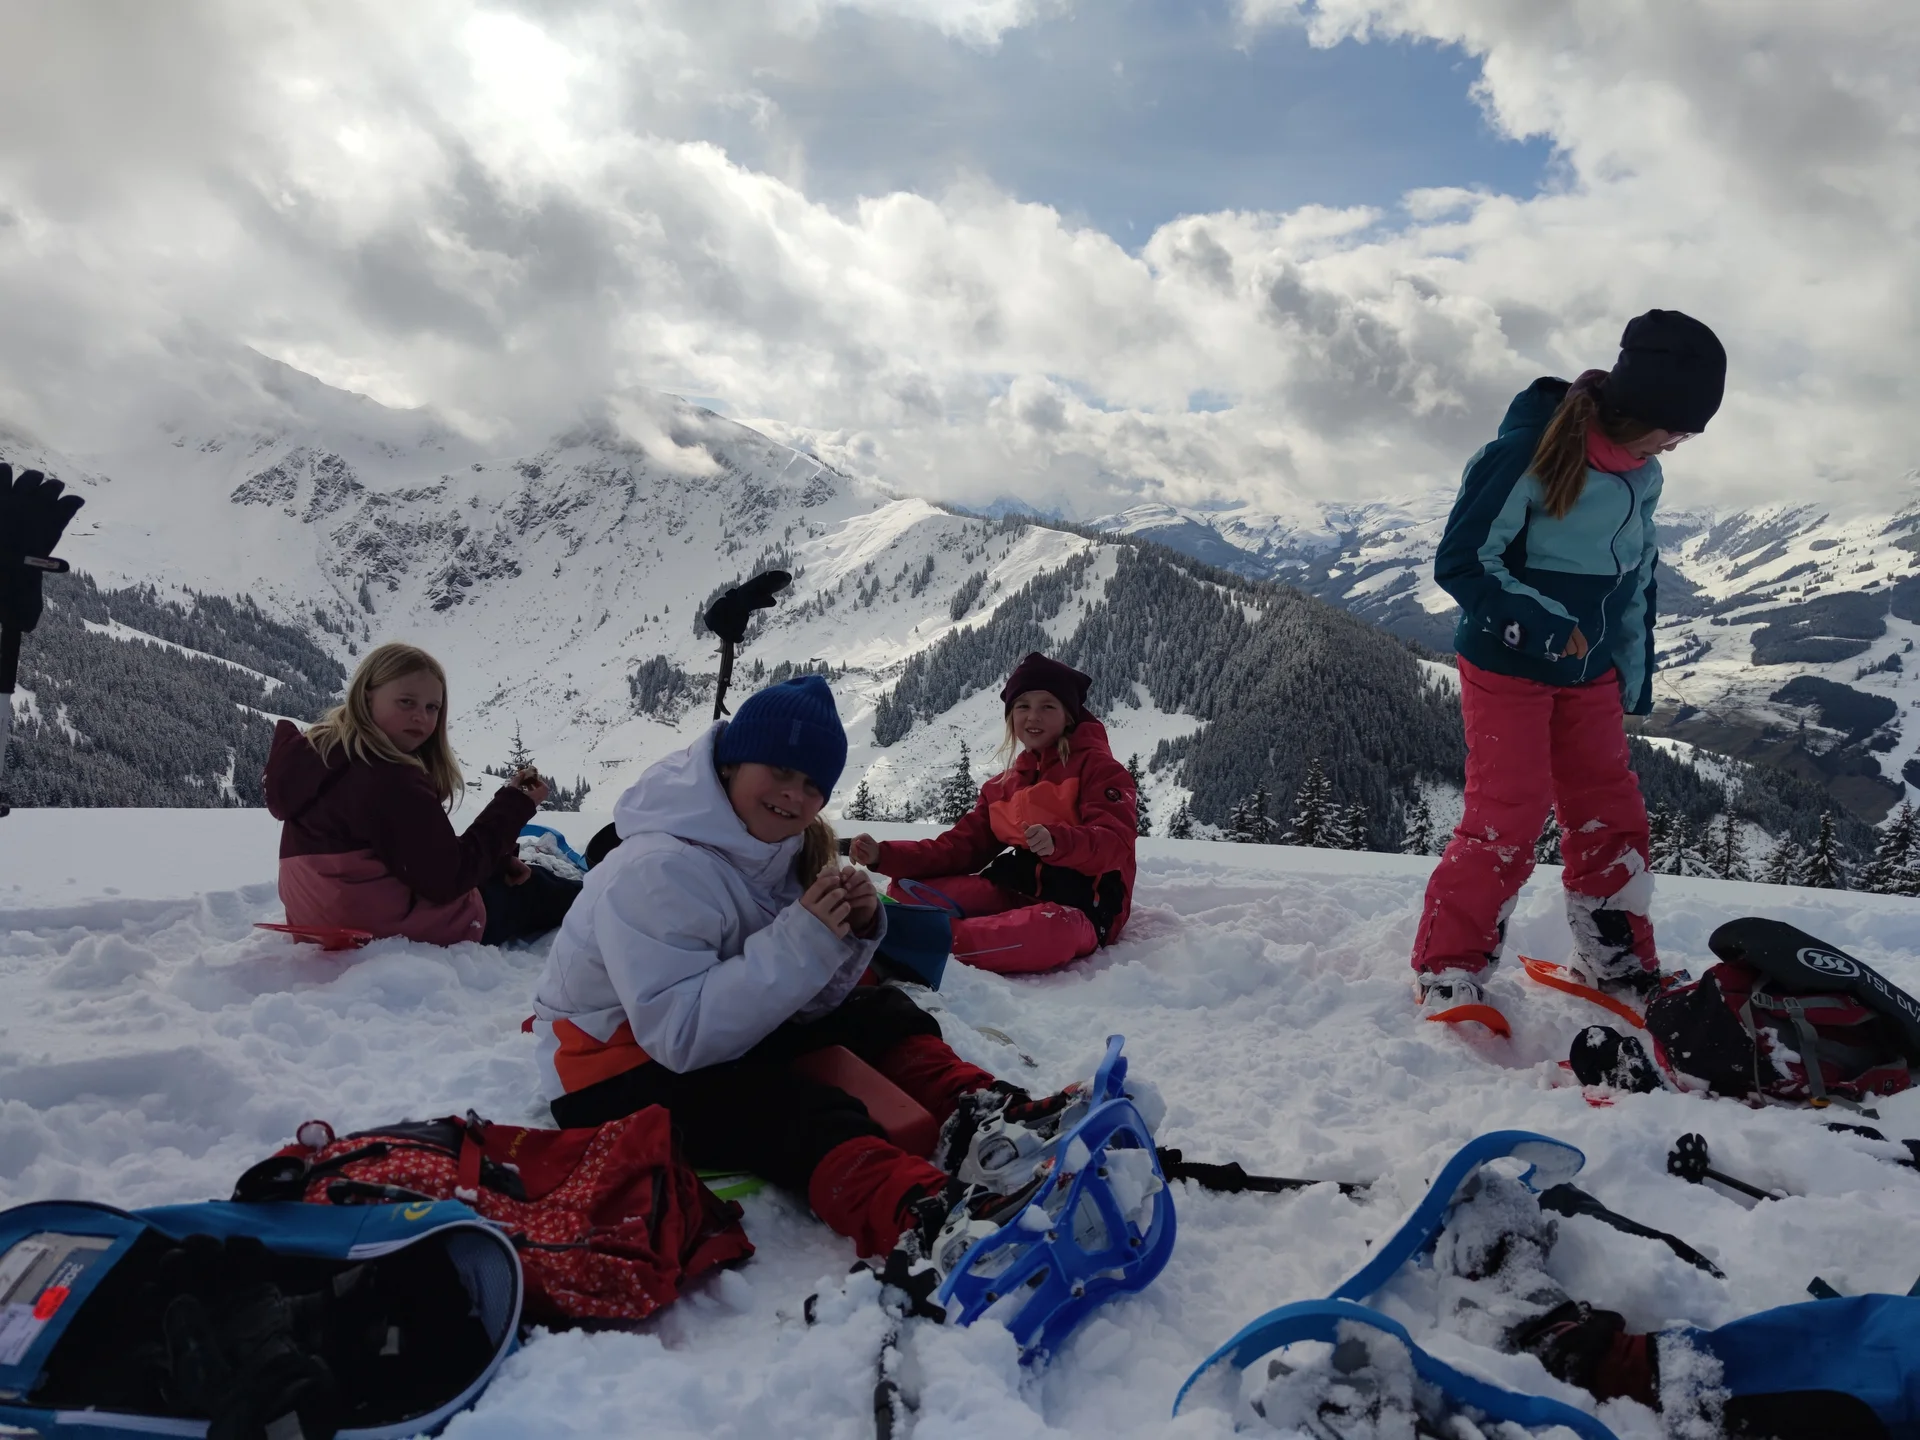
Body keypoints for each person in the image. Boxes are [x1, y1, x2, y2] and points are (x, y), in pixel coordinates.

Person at [530, 675, 1080, 1266]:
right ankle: (919, 1214)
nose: (794, 794)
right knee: (788, 1105)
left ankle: (982, 1116)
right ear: (731, 763)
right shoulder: (658, 868)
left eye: (813, 784)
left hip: (705, 1036)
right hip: (610, 1069)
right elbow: (681, 1037)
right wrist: (806, 938)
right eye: (780, 770)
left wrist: (845, 935)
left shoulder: (777, 848)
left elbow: (799, 1004)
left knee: (881, 1012)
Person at [1412, 310, 1727, 1013]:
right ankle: (1449, 966)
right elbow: (1462, 561)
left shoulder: (1643, 473)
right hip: (1508, 667)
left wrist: (1629, 669)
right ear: (1638, 408)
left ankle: (1614, 962)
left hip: (1590, 675)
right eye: (1674, 428)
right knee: (1508, 817)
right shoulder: (1526, 452)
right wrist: (1548, 629)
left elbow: (1637, 576)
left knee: (1612, 816)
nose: (1676, 444)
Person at [265, 642, 578, 947]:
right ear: (367, 696)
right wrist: (515, 804)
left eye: (432, 707)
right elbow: (448, 879)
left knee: (511, 878)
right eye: (406, 702)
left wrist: (495, 863)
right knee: (539, 888)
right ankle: (601, 902)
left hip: (325, 922)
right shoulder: (387, 777)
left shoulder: (324, 760)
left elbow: (412, 855)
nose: (422, 717)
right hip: (386, 929)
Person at [848, 653, 1137, 975]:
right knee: (904, 886)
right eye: (1022, 706)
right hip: (1014, 891)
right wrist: (884, 855)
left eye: (1047, 706)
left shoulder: (1100, 770)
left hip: (1080, 908)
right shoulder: (1005, 785)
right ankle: (935, 932)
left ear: (1069, 716)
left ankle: (923, 938)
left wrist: (1060, 842)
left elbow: (1115, 843)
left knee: (1052, 930)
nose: (1033, 716)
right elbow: (959, 848)